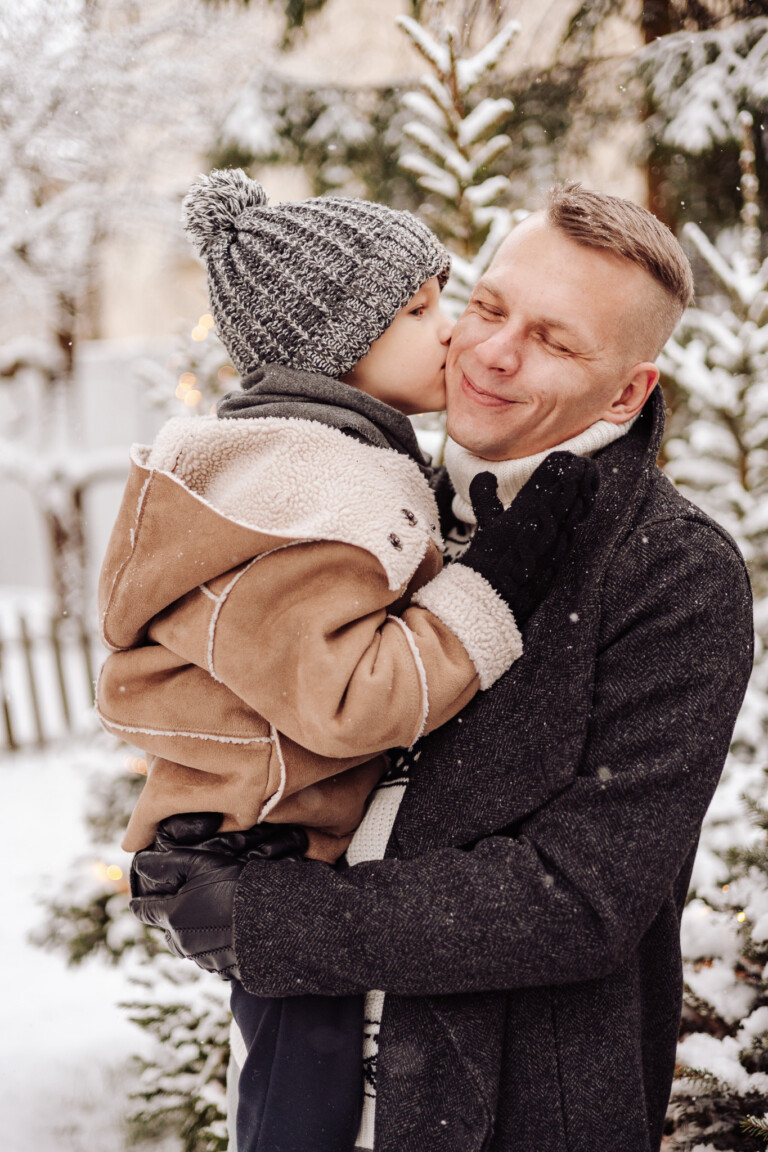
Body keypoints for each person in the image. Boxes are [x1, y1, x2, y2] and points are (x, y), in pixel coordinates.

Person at [129, 182, 754, 1152]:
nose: (493, 351)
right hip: (305, 1093)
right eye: (491, 306)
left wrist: (272, 920)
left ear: (628, 389)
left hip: (511, 1119)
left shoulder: (670, 572)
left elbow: (578, 899)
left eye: (555, 340)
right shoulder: (364, 497)